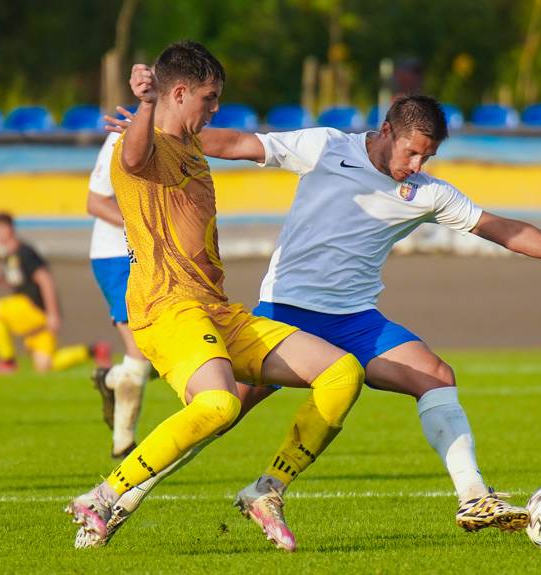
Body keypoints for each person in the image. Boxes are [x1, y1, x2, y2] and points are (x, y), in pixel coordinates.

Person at [99, 95, 541, 540]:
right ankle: (122, 498)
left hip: (354, 319)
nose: (418, 165)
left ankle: (473, 497)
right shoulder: (328, 146)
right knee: (221, 411)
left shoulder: (427, 193)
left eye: (429, 156)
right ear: (387, 132)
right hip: (286, 311)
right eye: (413, 152)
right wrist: (163, 136)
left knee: (436, 376)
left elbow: (501, 229)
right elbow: (239, 144)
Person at [64, 41, 365, 554]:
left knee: (343, 374)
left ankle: (267, 491)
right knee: (220, 404)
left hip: (216, 308)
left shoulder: (194, 145)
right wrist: (146, 102)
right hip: (167, 308)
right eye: (210, 96)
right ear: (179, 92)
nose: (216, 106)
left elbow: (247, 142)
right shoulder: (143, 143)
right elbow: (133, 158)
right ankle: (104, 494)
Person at [87, 130, 154, 459]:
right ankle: (123, 442)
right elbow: (96, 201)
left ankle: (112, 378)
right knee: (140, 350)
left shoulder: (184, 135)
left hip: (160, 255)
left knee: (163, 349)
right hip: (116, 256)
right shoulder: (122, 135)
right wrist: (138, 227)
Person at [0, 212, 112, 374]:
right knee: (45, 365)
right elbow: (22, 286)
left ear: (7, 228)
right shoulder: (11, 255)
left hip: (37, 309)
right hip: (39, 312)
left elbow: (45, 280)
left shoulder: (24, 252)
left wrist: (53, 314)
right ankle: (94, 350)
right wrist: (0, 280)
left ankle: (7, 361)